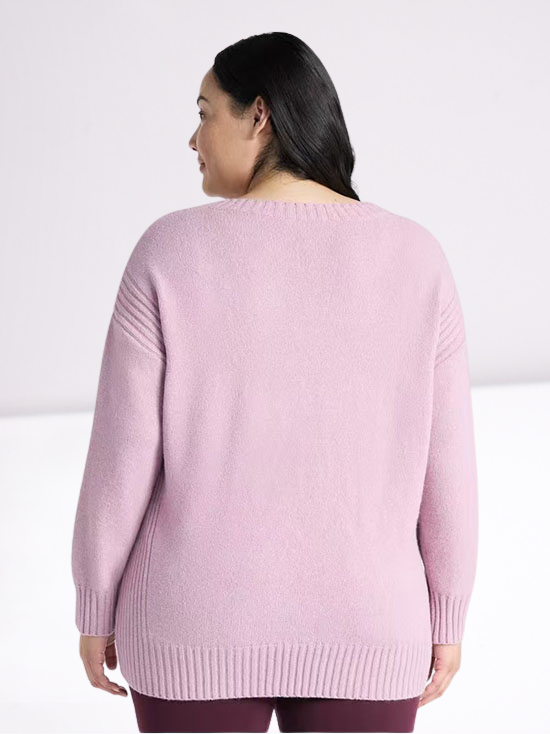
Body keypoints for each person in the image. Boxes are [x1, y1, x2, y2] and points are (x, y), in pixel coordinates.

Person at [71, 32, 478, 733]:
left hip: (191, 622)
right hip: (371, 623)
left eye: (205, 114)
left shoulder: (168, 250)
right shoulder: (417, 257)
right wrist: (447, 612)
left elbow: (120, 460)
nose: (193, 139)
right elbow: (450, 470)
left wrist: (95, 603)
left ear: (258, 115)